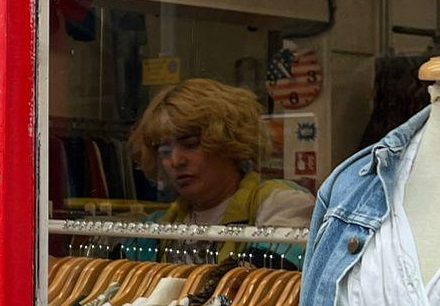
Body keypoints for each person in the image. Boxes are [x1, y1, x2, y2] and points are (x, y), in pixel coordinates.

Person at [133, 78, 313, 229]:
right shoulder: (159, 225)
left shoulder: (281, 205)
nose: (176, 161)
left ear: (229, 143)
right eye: (164, 151)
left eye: (191, 144)